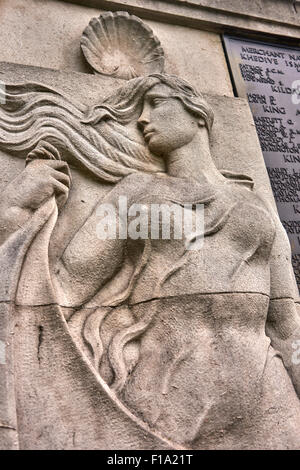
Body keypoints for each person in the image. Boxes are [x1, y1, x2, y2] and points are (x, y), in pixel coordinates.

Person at [0, 74, 300, 449]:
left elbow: (287, 324)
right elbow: (64, 287)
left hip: (262, 385)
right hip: (168, 385)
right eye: (139, 110)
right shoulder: (137, 193)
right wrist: (13, 209)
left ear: (197, 114)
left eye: (156, 103)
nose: (142, 119)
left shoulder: (257, 207)